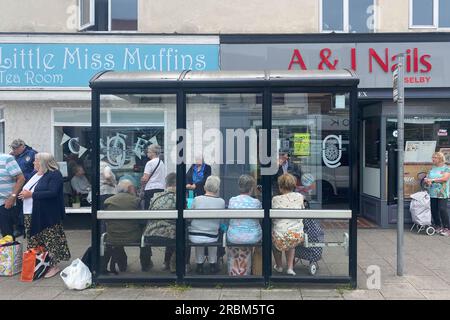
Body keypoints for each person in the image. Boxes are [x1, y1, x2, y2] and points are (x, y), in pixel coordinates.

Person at [18, 153, 71, 278]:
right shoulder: (34, 174)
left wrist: (31, 195)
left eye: (36, 160)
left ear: (43, 162)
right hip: (29, 212)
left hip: (47, 214)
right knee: (33, 239)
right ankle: (37, 264)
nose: (33, 163)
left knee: (50, 239)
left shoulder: (54, 175)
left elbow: (52, 192)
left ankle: (54, 265)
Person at [102, 179, 151, 273]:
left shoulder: (108, 201)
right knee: (145, 237)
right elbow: (143, 221)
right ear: (130, 188)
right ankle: (145, 265)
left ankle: (122, 266)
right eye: (133, 188)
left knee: (117, 240)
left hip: (112, 236)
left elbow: (105, 221)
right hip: (133, 236)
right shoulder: (137, 200)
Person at [226, 174, 262, 276]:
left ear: (239, 187)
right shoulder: (256, 202)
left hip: (234, 236)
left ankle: (235, 271)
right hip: (253, 237)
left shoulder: (232, 200)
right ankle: (253, 271)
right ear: (251, 188)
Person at [188, 176, 225, 274]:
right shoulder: (221, 202)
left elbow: (189, 216)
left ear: (204, 187)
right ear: (217, 189)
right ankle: (213, 265)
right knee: (214, 234)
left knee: (199, 237)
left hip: (195, 235)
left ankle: (199, 266)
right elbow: (221, 221)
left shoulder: (196, 199)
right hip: (212, 236)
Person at [142, 172, 177, 273]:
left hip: (150, 233)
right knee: (182, 234)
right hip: (169, 235)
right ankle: (174, 265)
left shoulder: (156, 196)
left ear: (166, 184)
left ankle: (165, 263)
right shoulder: (177, 198)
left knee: (170, 229)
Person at [272, 173, 305, 276]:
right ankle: (290, 268)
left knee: (276, 243)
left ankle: (279, 266)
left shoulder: (276, 199)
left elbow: (274, 217)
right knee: (291, 242)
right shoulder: (300, 197)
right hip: (296, 236)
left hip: (280, 237)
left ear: (280, 187)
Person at [10, 138, 37, 237]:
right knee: (17, 207)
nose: (14, 150)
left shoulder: (32, 154)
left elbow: (37, 169)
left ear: (22, 146)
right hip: (17, 184)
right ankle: (18, 228)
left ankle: (25, 228)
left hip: (28, 185)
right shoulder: (12, 156)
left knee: (26, 207)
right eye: (13, 148)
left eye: (16, 148)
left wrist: (27, 178)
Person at [424, 152, 450, 236]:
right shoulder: (432, 168)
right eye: (432, 157)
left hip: (442, 193)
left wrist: (432, 180)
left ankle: (447, 228)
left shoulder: (446, 168)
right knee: (434, 210)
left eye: (435, 157)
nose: (433, 159)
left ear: (440, 159)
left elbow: (445, 179)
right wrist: (427, 180)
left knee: (442, 209)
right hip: (432, 192)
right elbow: (428, 177)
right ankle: (438, 226)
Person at [0, 153, 25, 239]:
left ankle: (9, 252)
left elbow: (21, 179)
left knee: (7, 236)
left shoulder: (7, 159)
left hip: (5, 204)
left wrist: (12, 197)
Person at [141, 144, 166, 210]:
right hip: (161, 188)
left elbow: (145, 179)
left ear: (153, 153)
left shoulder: (150, 163)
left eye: (149, 151)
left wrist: (142, 182)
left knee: (149, 208)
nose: (147, 153)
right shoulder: (161, 163)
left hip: (150, 189)